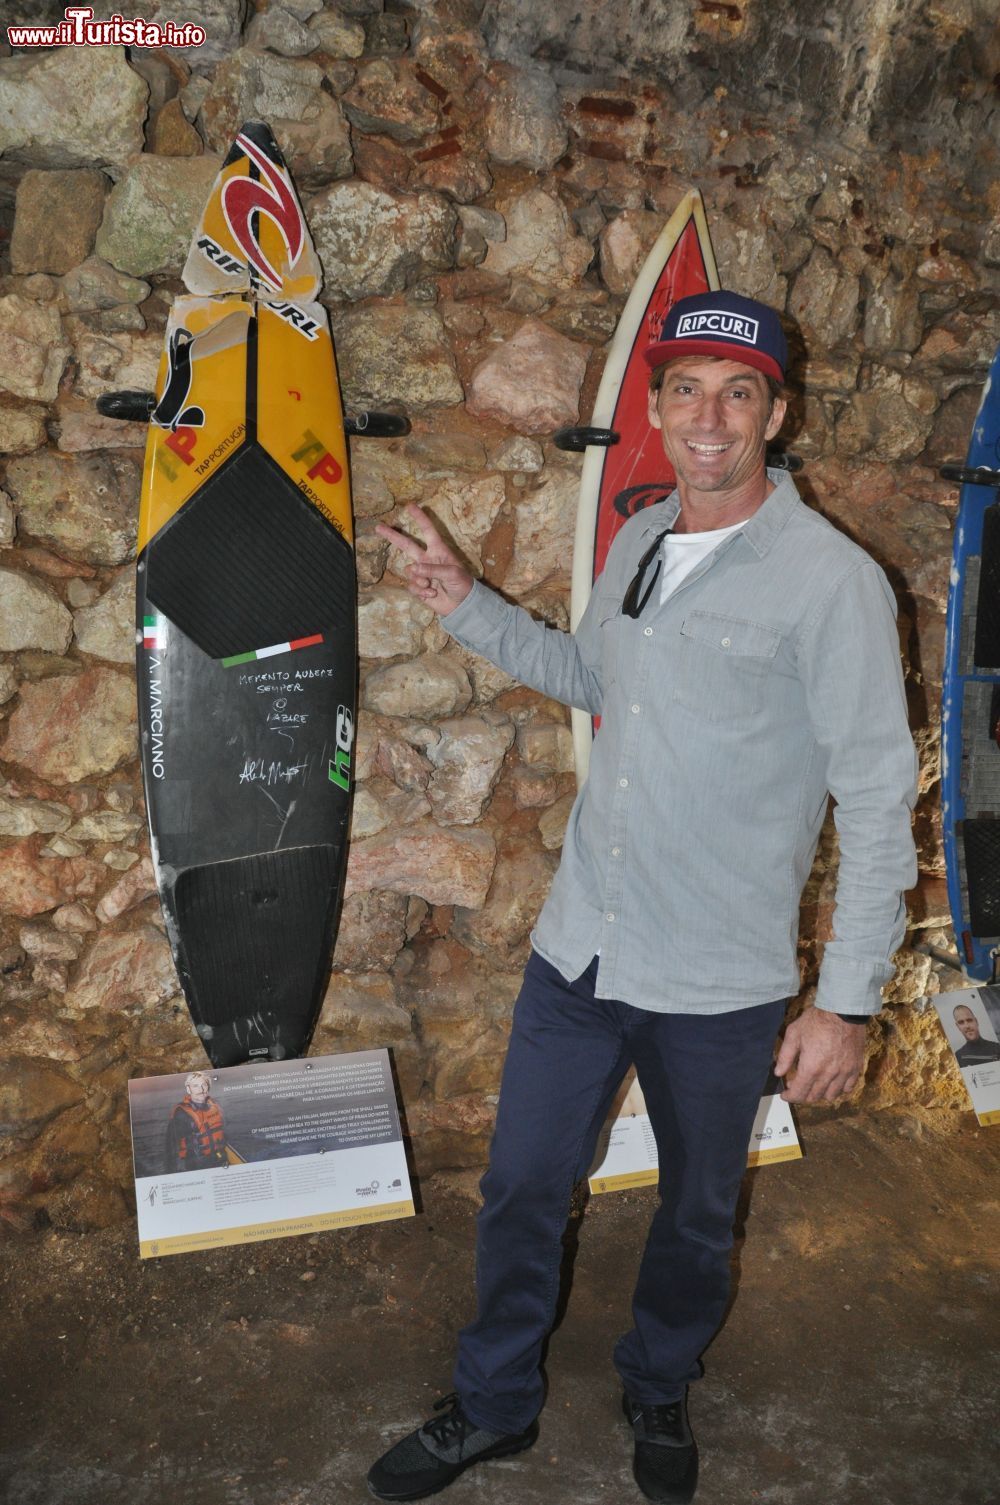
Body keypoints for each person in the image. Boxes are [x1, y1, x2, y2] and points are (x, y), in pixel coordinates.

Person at [366, 290, 918, 1504]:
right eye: (686, 389)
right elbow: (586, 676)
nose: (707, 415)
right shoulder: (638, 539)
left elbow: (879, 801)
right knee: (519, 1186)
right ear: (657, 407)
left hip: (720, 979)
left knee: (697, 1213)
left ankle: (660, 1374)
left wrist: (847, 1004)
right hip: (582, 948)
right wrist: (461, 599)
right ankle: (498, 1401)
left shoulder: (833, 585)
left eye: (738, 393)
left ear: (777, 413)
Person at [165, 1070, 229, 1173]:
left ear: (208, 1087)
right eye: (196, 1086)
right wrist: (172, 1171)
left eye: (204, 1084)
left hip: (220, 1158)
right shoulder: (181, 1113)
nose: (201, 1089)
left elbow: (225, 1132)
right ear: (188, 1089)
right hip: (196, 1165)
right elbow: (171, 1146)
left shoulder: (216, 1106)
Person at [952, 1002, 1000, 1067]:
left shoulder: (997, 1047)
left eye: (969, 1020)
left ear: (976, 1021)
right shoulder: (958, 1056)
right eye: (961, 1022)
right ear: (958, 1026)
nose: (967, 1026)